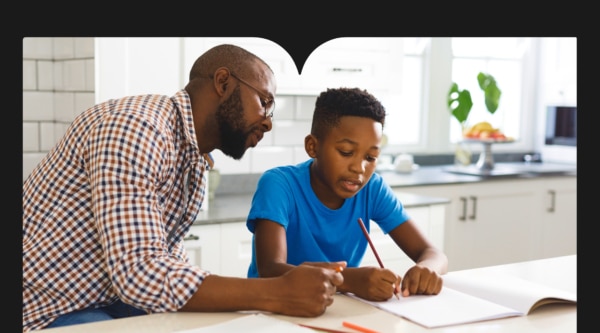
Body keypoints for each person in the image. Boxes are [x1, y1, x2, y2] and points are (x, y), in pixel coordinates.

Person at [22, 44, 344, 332]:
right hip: (46, 309)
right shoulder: (138, 129)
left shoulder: (192, 158)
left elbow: (165, 267)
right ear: (222, 82)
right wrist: (278, 293)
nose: (268, 121)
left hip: (109, 302)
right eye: (264, 102)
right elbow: (140, 274)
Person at [246, 87, 448, 302]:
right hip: (273, 307)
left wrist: (427, 269)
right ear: (313, 147)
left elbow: (434, 254)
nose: (359, 168)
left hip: (336, 307)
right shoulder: (279, 185)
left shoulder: (372, 189)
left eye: (370, 157)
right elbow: (270, 269)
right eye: (346, 152)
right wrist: (350, 280)